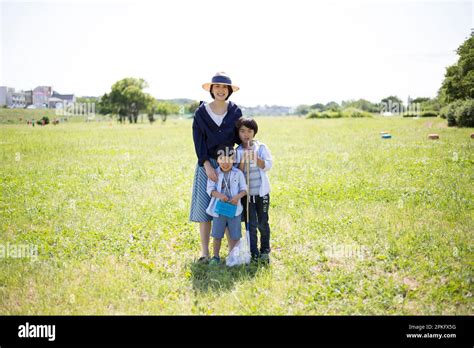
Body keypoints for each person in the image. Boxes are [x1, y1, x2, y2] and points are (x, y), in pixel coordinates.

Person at [189, 72, 242, 263]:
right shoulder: (201, 113)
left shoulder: (235, 111)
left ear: (229, 91)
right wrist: (206, 166)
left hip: (229, 165)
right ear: (211, 89)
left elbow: (239, 138)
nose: (221, 90)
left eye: (224, 87)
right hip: (207, 163)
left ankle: (232, 253)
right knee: (205, 209)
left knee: (227, 207)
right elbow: (198, 141)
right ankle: (205, 252)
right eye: (217, 86)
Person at [235, 117, 273, 264]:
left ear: (254, 133)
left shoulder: (261, 147)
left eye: (249, 131)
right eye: (242, 131)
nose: (246, 134)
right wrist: (244, 160)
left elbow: (268, 165)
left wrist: (255, 158)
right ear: (238, 133)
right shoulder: (237, 151)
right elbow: (237, 173)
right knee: (251, 223)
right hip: (247, 195)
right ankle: (253, 251)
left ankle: (265, 250)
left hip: (261, 193)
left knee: (263, 222)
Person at [206, 145, 247, 265]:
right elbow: (210, 190)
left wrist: (237, 197)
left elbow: (244, 189)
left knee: (235, 235)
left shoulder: (238, 173)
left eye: (228, 160)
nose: (225, 163)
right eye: (222, 160)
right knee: (217, 234)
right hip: (219, 209)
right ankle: (216, 257)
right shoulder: (215, 173)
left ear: (233, 159)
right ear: (217, 160)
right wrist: (220, 195)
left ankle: (233, 257)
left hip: (234, 209)